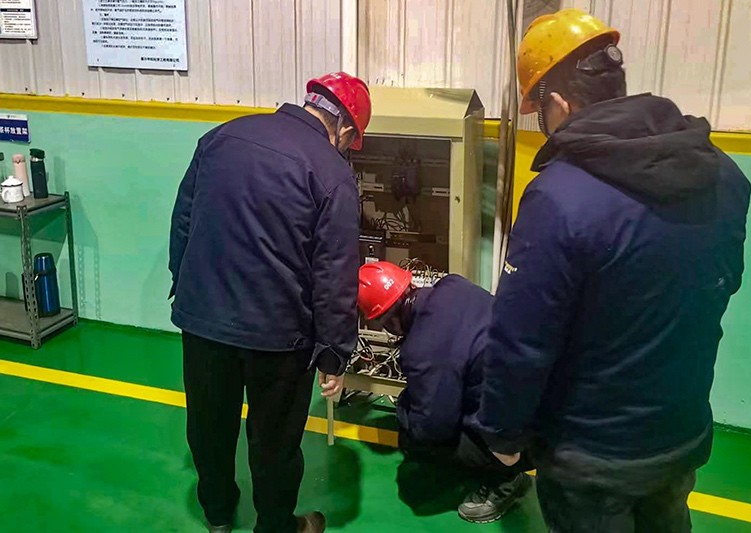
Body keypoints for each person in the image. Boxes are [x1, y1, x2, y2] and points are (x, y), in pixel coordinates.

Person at [476, 9, 751, 532]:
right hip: (681, 431)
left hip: (591, 452)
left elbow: (522, 338)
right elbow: (724, 281)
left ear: (558, 103)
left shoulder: (559, 197)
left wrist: (502, 432)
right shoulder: (722, 172)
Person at [168, 72, 371, 533]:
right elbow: (335, 273)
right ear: (344, 128)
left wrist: (186, 285)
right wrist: (334, 353)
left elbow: (184, 219)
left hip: (204, 319)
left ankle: (218, 515)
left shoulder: (221, 136)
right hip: (279, 334)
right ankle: (276, 526)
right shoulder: (331, 173)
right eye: (350, 142)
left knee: (209, 425)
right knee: (275, 440)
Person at [357, 261, 533, 524]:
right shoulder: (454, 284)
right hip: (549, 395)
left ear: (387, 321)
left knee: (413, 436)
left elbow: (432, 429)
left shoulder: (421, 349)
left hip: (531, 436)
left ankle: (506, 481)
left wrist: (405, 408)